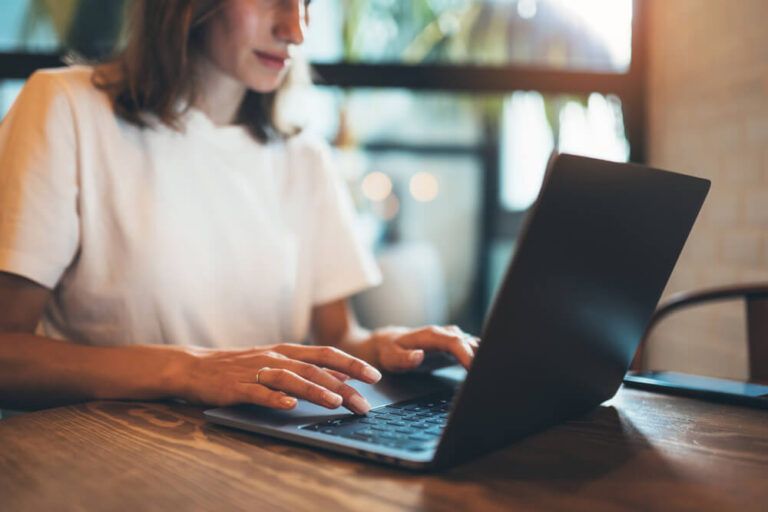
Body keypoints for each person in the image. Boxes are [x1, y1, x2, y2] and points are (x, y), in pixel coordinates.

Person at [0, 0, 478, 415]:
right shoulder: (67, 107)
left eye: (307, 3)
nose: (296, 29)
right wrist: (190, 370)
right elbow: (8, 355)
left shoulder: (301, 155)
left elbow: (340, 336)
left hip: (265, 460)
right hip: (113, 460)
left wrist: (391, 347)